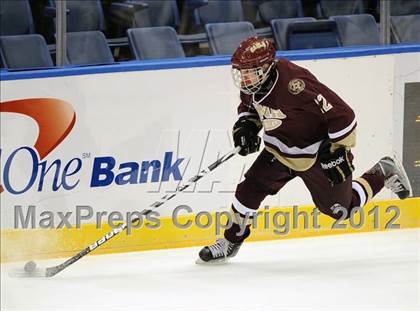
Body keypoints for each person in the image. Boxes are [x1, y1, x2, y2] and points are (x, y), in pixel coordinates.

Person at [197, 37, 412, 264]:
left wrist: (336, 148)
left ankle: (382, 172)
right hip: (279, 151)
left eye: (250, 71)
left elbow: (344, 116)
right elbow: (249, 107)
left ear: (267, 67)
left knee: (342, 210)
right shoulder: (254, 85)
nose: (244, 78)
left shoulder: (295, 83)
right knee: (248, 191)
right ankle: (230, 241)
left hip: (317, 155)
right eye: (241, 72)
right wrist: (246, 125)